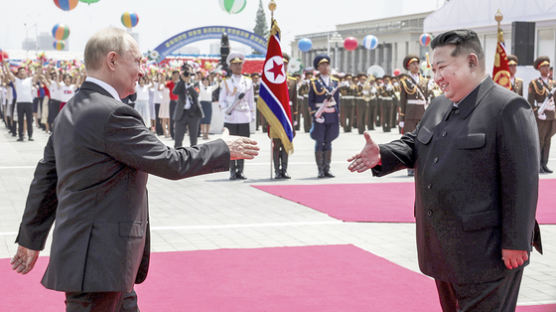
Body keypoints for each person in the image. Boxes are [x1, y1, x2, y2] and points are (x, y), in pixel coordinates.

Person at [10, 27, 259, 312]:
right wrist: (223, 147)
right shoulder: (112, 113)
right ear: (112, 61)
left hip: (100, 263)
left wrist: (31, 237)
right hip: (99, 264)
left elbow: (46, 177)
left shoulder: (72, 109)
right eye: (137, 61)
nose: (141, 71)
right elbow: (170, 162)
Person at [348, 29, 542, 312]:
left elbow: (523, 182)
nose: (436, 76)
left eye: (442, 68)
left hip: (487, 253)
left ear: (472, 61)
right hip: (443, 248)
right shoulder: (439, 104)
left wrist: (517, 241)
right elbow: (416, 141)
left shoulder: (507, 107)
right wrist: (383, 154)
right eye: (433, 68)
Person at [218, 52, 256, 180]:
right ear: (230, 66)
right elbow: (221, 100)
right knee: (231, 145)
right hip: (231, 117)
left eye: (240, 64)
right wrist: (226, 109)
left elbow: (251, 101)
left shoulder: (248, 81)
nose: (238, 66)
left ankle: (241, 170)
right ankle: (232, 171)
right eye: (235, 64)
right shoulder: (226, 82)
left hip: (244, 116)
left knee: (243, 144)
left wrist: (251, 114)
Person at [399, 55, 433, 176]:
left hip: (422, 114)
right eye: (413, 64)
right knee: (410, 141)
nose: (416, 66)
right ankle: (410, 167)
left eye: (417, 64)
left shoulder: (424, 81)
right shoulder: (404, 81)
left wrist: (431, 88)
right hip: (409, 115)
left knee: (422, 141)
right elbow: (402, 102)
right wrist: (401, 118)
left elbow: (428, 97)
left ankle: (420, 165)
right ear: (408, 67)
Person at [308, 55, 340, 178]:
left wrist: (338, 115)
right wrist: (314, 115)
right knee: (319, 141)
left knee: (329, 141)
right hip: (320, 115)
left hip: (331, 115)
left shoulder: (335, 82)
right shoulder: (314, 82)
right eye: (322, 65)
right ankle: (320, 170)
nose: (325, 67)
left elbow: (337, 100)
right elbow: (310, 101)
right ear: (318, 67)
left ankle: (327, 168)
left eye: (327, 64)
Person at [527, 56, 556, 174]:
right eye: (544, 66)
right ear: (539, 69)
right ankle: (537, 164)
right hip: (541, 115)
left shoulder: (552, 83)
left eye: (548, 66)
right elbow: (530, 101)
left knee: (548, 140)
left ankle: (545, 163)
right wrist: (536, 113)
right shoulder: (534, 83)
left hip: (551, 116)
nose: (547, 68)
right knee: (540, 140)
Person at [269, 54, 295, 179]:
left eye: (285, 64)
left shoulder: (293, 81)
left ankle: (284, 170)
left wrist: (295, 122)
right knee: (276, 145)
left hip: (288, 119)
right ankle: (276, 171)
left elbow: (295, 103)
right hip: (275, 117)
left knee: (285, 144)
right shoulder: (272, 81)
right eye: (281, 63)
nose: (283, 66)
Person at [2, 63, 39, 141]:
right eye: (20, 71)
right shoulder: (16, 80)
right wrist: (5, 64)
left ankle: (30, 136)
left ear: (26, 72)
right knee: (20, 120)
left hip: (29, 103)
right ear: (18, 73)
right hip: (20, 103)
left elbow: (37, 75)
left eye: (23, 71)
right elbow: (9, 73)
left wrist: (40, 65)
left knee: (29, 120)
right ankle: (20, 136)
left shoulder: (29, 80)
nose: (22, 72)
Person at [173, 65, 203, 148]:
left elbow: (196, 94)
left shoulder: (196, 82)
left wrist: (189, 84)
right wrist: (182, 81)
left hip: (193, 113)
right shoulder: (180, 83)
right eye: (185, 71)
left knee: (193, 139)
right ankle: (177, 158)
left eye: (188, 71)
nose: (187, 73)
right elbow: (175, 92)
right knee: (178, 139)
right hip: (181, 113)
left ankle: (194, 158)